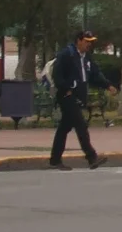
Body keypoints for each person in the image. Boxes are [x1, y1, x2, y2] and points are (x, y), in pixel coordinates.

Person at [49, 32, 115, 170]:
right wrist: (66, 88)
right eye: (86, 41)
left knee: (64, 128)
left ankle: (55, 160)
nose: (89, 44)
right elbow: (57, 75)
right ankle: (92, 157)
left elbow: (95, 75)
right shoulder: (67, 54)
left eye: (90, 41)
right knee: (81, 125)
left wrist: (107, 85)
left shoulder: (86, 58)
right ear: (78, 41)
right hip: (67, 96)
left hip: (79, 97)